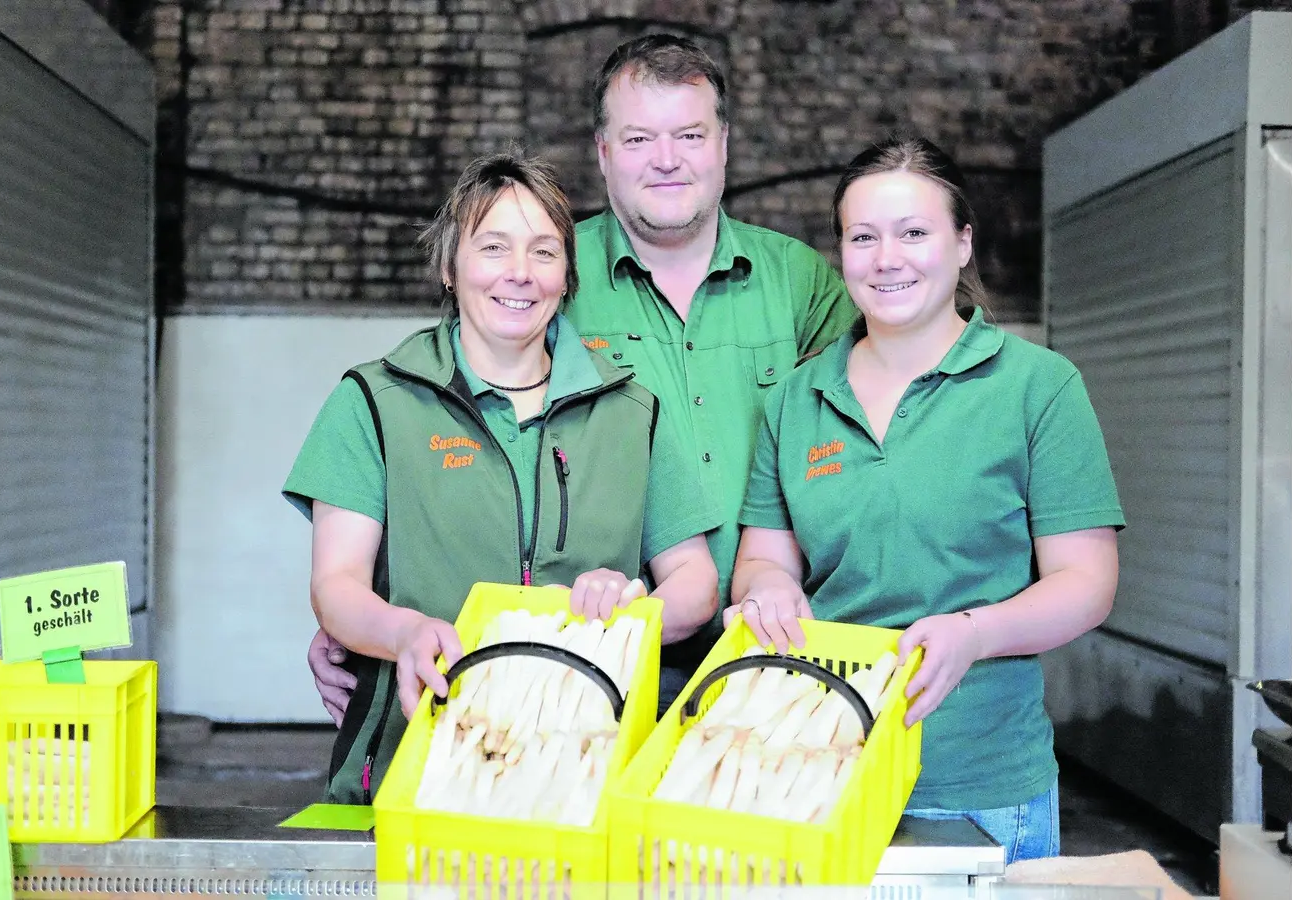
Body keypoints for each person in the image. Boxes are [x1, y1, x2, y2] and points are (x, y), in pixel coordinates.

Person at [307, 34, 859, 723]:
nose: (666, 159)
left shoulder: (802, 282)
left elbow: (865, 447)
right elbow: (462, 464)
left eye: (689, 134)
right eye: (638, 139)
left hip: (775, 657)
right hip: (600, 679)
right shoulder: (549, 279)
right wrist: (366, 615)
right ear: (603, 153)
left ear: (723, 143)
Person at [726, 135, 1125, 864]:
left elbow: (1088, 583)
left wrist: (973, 632)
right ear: (841, 251)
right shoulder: (797, 399)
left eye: (915, 233)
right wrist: (771, 587)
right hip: (819, 770)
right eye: (864, 237)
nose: (888, 258)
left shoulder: (1038, 387)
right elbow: (761, 557)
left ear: (963, 243)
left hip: (982, 781)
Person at [281, 150, 721, 804]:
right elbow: (336, 585)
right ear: (448, 267)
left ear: (567, 276)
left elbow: (697, 582)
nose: (520, 273)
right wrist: (402, 632)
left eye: (544, 252)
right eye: (493, 247)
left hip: (583, 780)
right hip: (413, 772)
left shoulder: (632, 411)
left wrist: (637, 608)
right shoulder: (374, 401)